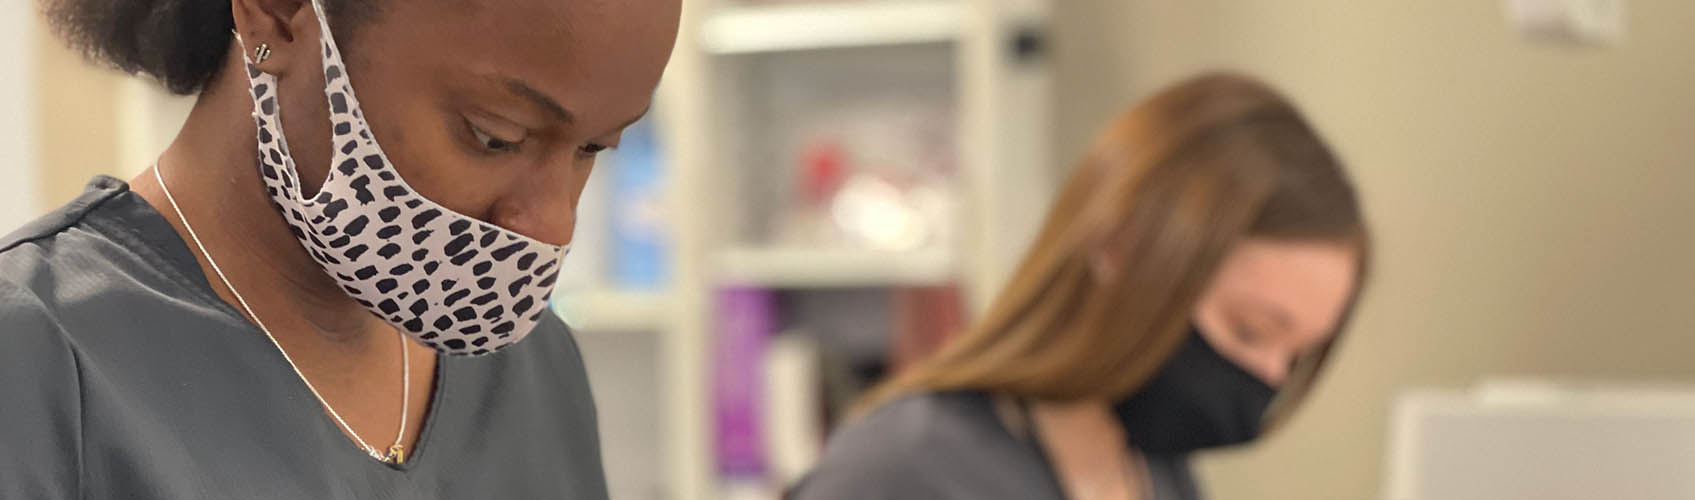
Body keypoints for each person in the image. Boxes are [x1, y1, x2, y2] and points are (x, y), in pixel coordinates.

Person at [1, 0, 677, 497]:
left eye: (594, 147)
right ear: (278, 15)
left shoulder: (532, 367)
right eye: (493, 136)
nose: (553, 225)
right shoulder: (38, 360)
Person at [792, 73, 1371, 500]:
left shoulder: (1157, 474)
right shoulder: (907, 470)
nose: (1268, 378)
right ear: (1119, 249)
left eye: (1294, 356)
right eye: (1250, 330)